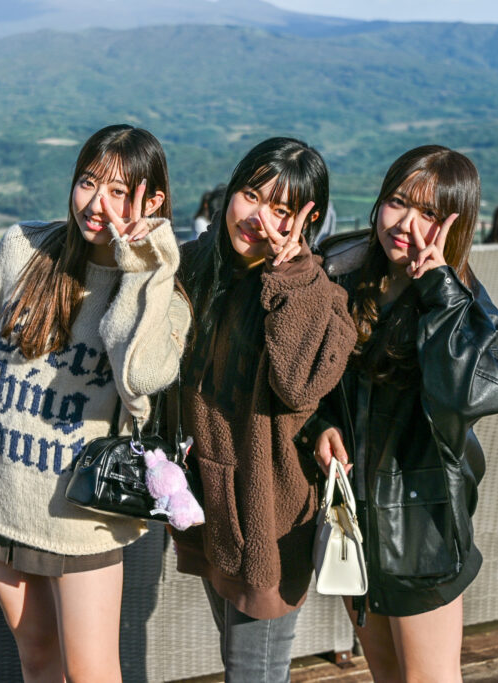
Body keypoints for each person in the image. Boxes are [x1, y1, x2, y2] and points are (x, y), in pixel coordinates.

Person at [0, 124, 190, 683]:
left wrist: (143, 263)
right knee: (37, 658)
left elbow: (141, 374)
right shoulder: (24, 248)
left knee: (93, 672)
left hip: (80, 512)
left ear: (153, 201)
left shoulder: (160, 293)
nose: (97, 203)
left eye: (119, 191)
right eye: (89, 182)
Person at [311, 145, 498, 682]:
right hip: (353, 522)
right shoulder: (344, 273)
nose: (406, 224)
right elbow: (310, 380)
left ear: (457, 223)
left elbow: (476, 391)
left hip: (420, 532)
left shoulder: (463, 304)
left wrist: (439, 291)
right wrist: (320, 426)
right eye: (398, 202)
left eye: (429, 213)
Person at [172, 137, 357, 682]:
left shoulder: (314, 293)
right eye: (251, 196)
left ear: (308, 219)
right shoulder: (196, 265)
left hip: (268, 519)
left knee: (253, 673)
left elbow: (297, 385)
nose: (258, 218)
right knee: (236, 660)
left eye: (281, 209)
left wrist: (292, 277)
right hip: (207, 503)